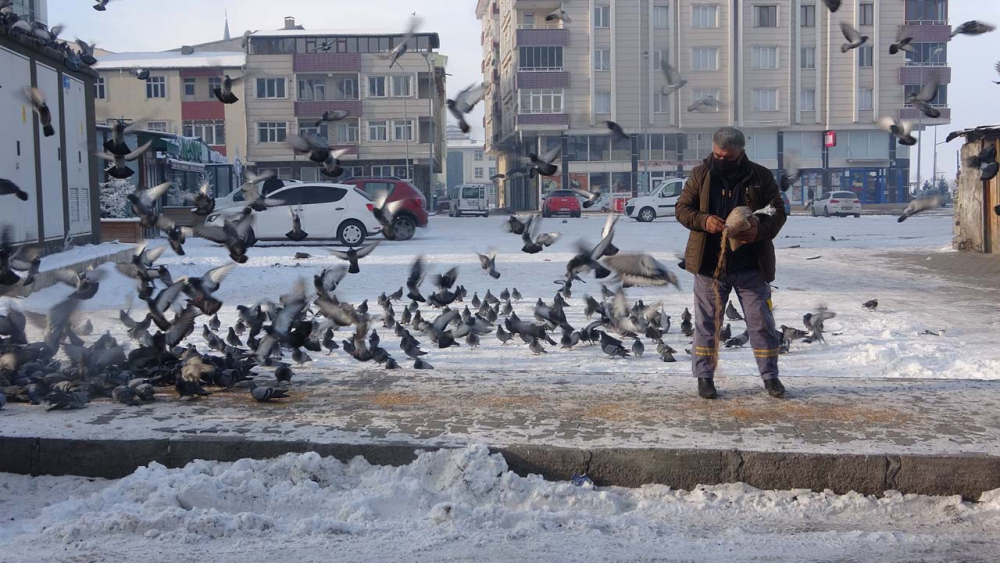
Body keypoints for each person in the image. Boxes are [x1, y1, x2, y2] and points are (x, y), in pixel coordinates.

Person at [674, 127, 788, 400]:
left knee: (761, 323)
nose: (720, 160)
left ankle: (771, 378)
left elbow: (779, 212)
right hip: (709, 266)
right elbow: (682, 209)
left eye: (727, 156)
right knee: (707, 325)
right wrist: (704, 221)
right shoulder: (700, 175)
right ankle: (705, 378)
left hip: (751, 267)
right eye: (716, 154)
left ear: (740, 153)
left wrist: (758, 230)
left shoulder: (760, 176)